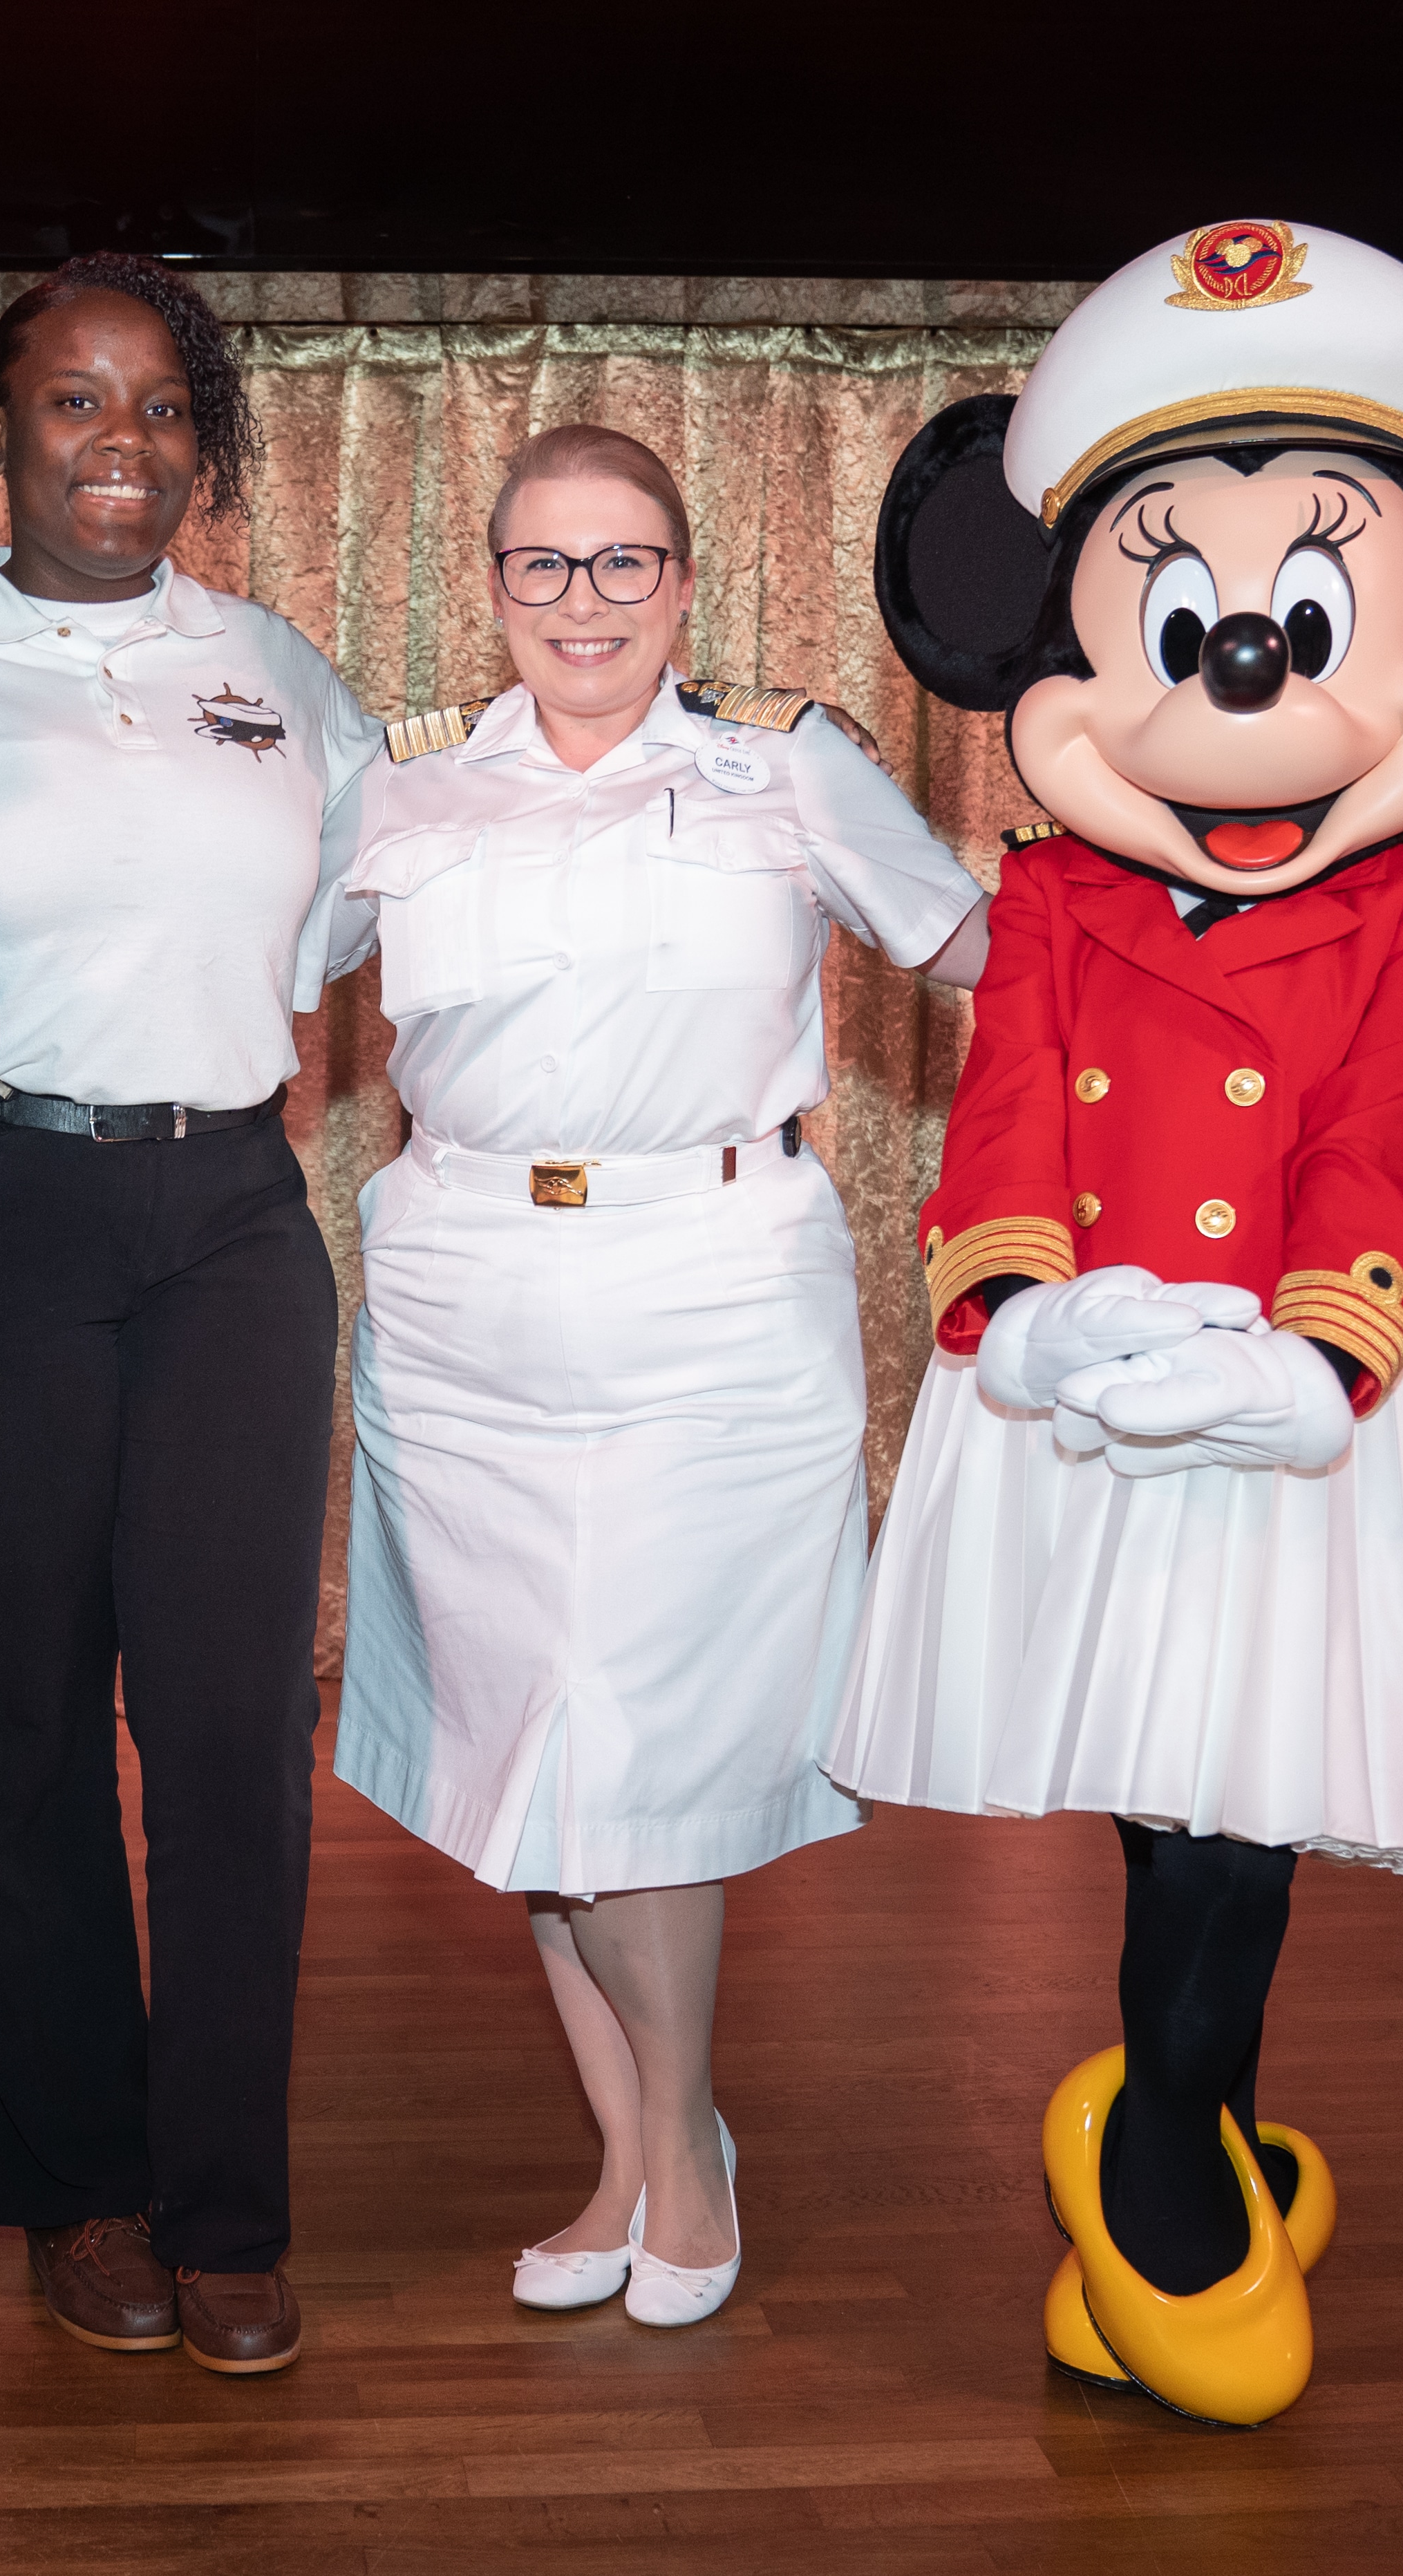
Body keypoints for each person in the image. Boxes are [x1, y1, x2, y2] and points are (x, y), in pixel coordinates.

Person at [835, 218, 1403, 2425]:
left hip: (1302, 1384)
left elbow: (1390, 1141)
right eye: (1184, 625)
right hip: (1094, 1375)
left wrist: (1309, 1359)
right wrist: (1017, 1313)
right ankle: (1191, 2151)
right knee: (1156, 1783)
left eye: (1307, 619)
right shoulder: (1046, 889)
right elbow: (1005, 1115)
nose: (1242, 682)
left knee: (1241, 1795)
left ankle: (1170, 2174)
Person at [325, 424, 990, 2328]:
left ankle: (688, 2151)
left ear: (684, 584)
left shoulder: (791, 771)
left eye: (624, 562)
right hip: (464, 1301)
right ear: (494, 587)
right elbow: (222, 966)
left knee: (633, 1749)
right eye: (543, 564)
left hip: (714, 1292)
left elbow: (992, 960)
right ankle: (624, 2159)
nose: (584, 601)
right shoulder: (402, 787)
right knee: (526, 1744)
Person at [0, 255, 380, 2378]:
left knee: (231, 1731)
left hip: (229, 1213)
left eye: (161, 409)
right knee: (23, 1725)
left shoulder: (276, 671)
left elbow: (363, 918)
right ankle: (81, 2186)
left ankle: (227, 2208)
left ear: (200, 446)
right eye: (74, 401)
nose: (120, 444)